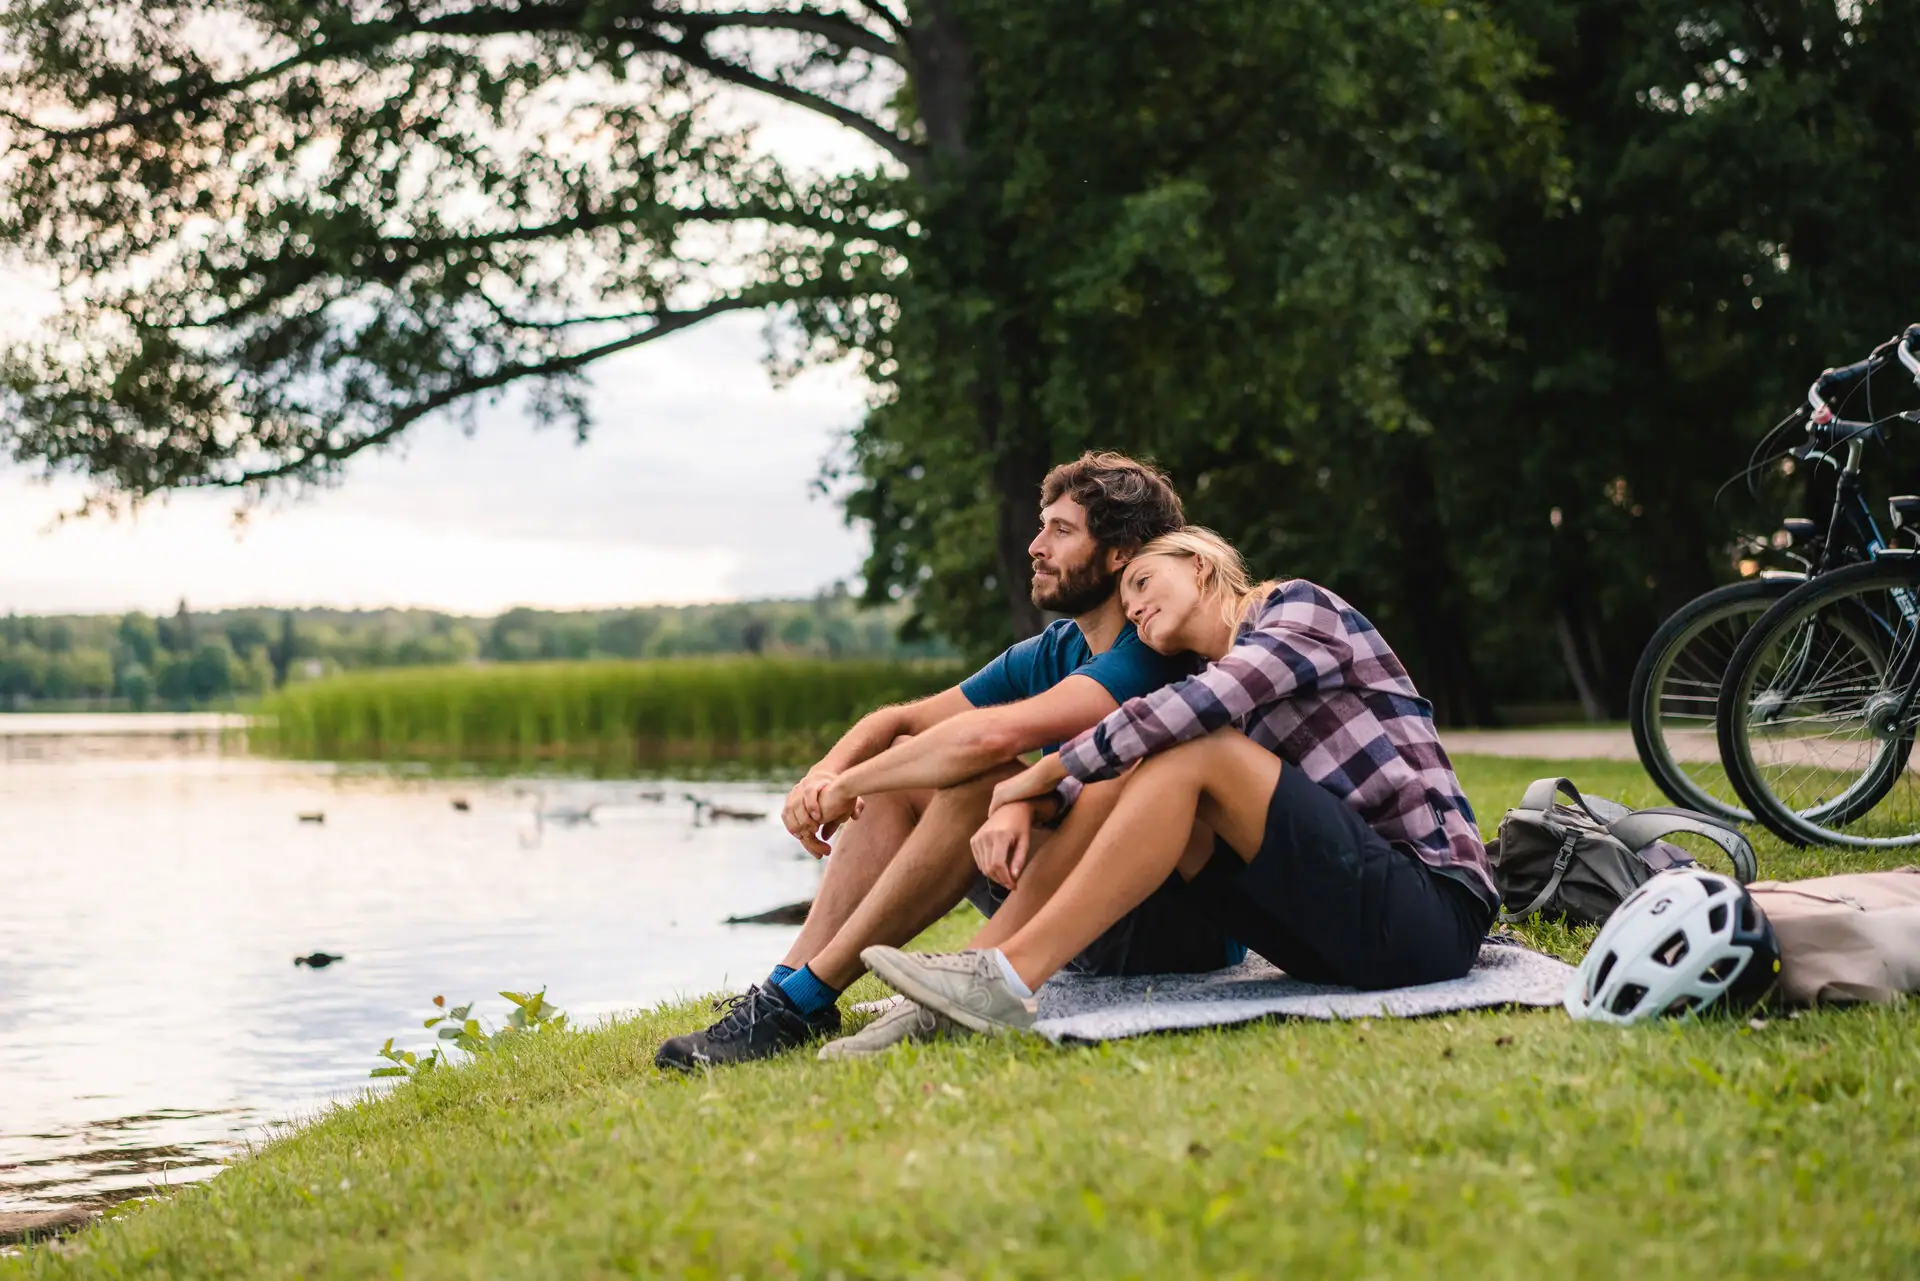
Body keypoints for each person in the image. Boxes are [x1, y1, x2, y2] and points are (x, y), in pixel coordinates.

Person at [655, 453, 1232, 1070]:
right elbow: (900, 722)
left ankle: (800, 998)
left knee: (971, 778)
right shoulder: (1055, 647)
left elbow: (984, 741)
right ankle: (789, 989)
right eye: (1041, 526)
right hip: (1069, 902)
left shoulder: (1149, 652)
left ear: (1121, 553)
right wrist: (826, 774)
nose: (1036, 546)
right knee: (905, 770)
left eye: (1062, 531)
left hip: (1168, 928)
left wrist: (846, 784)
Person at [859, 527, 1498, 1035]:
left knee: (1192, 751)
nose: (1134, 605)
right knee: (1147, 764)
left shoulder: (1298, 609)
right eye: (1128, 599)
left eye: (1143, 580)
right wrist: (1025, 803)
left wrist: (1043, 771)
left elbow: (1202, 706)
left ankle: (1008, 977)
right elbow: (1104, 794)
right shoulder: (1193, 677)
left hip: (1429, 911)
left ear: (1198, 564)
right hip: (1326, 941)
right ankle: (952, 996)